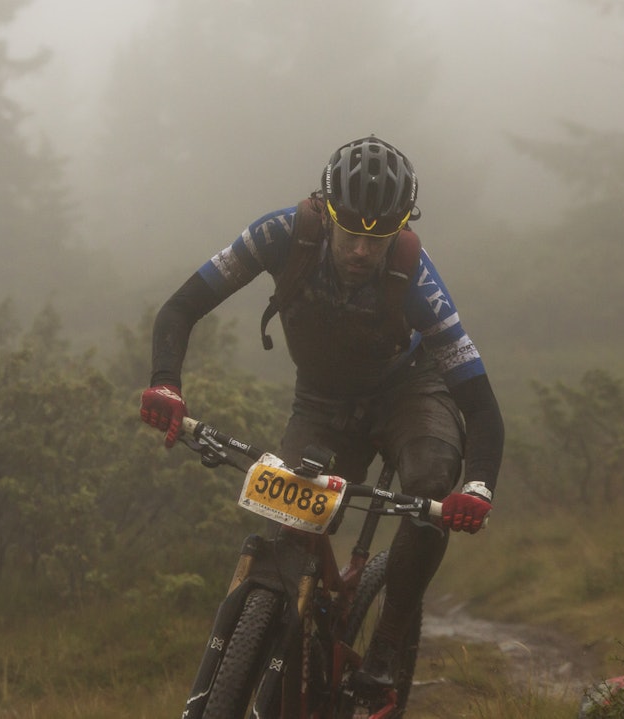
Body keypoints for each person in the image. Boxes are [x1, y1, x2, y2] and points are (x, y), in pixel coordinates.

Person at [139, 135, 504, 689]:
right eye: (351, 231)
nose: (362, 250)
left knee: (430, 486)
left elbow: (479, 402)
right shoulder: (280, 235)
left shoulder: (418, 280)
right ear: (326, 210)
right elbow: (181, 307)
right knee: (289, 526)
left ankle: (386, 646)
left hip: (410, 392)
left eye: (379, 237)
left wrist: (476, 489)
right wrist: (165, 385)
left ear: (401, 229)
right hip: (323, 398)